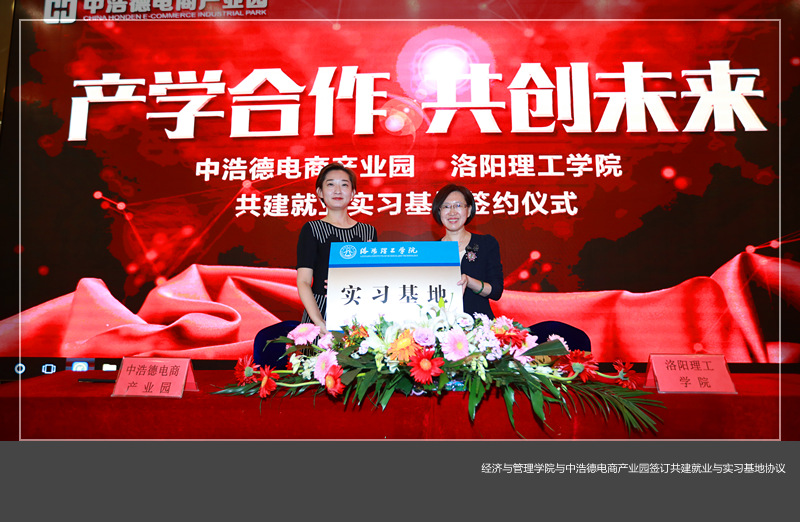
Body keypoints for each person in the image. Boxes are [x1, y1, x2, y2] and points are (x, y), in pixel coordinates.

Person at [296, 162, 378, 334]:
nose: (338, 191)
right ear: (320, 192)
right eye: (331, 184)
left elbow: (374, 280)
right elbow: (303, 281)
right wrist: (318, 321)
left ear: (353, 193)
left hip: (358, 312)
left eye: (344, 185)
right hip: (320, 310)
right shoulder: (312, 229)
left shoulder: (368, 232)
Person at [431, 184, 503, 319]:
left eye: (458, 205)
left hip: (479, 325)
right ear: (439, 211)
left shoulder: (486, 244)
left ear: (469, 210)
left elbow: (496, 291)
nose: (452, 212)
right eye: (446, 206)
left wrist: (469, 281)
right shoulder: (431, 251)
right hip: (441, 325)